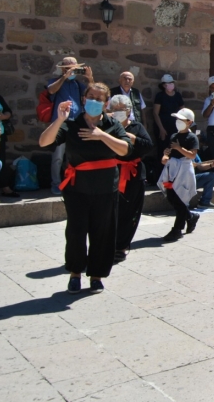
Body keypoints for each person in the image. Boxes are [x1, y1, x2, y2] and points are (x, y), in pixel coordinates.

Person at [39, 82, 131, 294]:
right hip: (77, 188)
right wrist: (59, 119)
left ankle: (97, 275)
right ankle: (75, 273)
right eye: (91, 96)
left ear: (106, 103)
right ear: (83, 99)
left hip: (106, 188)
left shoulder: (112, 125)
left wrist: (102, 136)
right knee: (76, 232)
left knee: (103, 233)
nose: (95, 101)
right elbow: (44, 142)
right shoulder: (72, 124)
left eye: (99, 99)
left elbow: (125, 149)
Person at [109, 95, 154, 262]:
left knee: (130, 210)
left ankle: (122, 245)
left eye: (122, 109)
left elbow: (148, 146)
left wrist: (132, 137)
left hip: (133, 173)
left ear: (129, 111)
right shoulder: (107, 127)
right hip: (112, 172)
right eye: (115, 109)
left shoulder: (137, 127)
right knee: (111, 210)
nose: (119, 112)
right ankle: (109, 243)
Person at [46, 57, 93, 194]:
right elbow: (51, 91)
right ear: (63, 69)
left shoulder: (78, 84)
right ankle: (56, 183)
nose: (73, 72)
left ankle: (72, 182)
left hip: (75, 124)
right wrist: (64, 77)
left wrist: (90, 78)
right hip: (60, 124)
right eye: (69, 68)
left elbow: (93, 92)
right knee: (58, 156)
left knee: (74, 155)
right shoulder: (56, 81)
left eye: (75, 68)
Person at [158, 108, 201, 241]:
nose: (178, 122)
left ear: (189, 122)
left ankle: (177, 229)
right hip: (172, 169)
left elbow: (192, 155)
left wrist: (179, 148)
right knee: (171, 196)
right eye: (177, 119)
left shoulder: (192, 137)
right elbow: (168, 155)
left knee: (181, 197)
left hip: (184, 169)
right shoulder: (174, 136)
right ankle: (190, 216)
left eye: (181, 120)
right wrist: (165, 156)